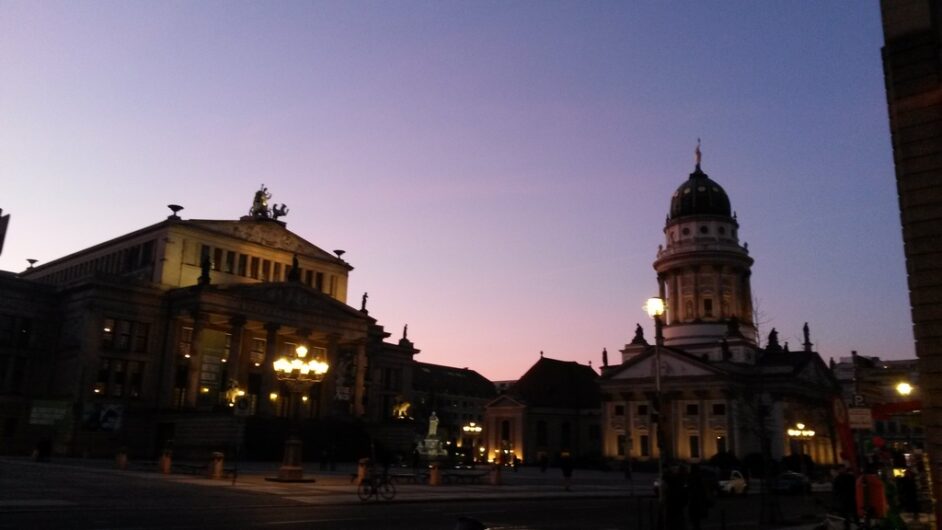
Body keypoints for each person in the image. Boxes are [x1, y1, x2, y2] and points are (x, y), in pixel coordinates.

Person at [686, 464, 710, 530]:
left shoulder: (692, 478)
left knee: (695, 519)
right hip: (697, 500)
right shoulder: (699, 478)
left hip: (695, 500)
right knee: (696, 519)